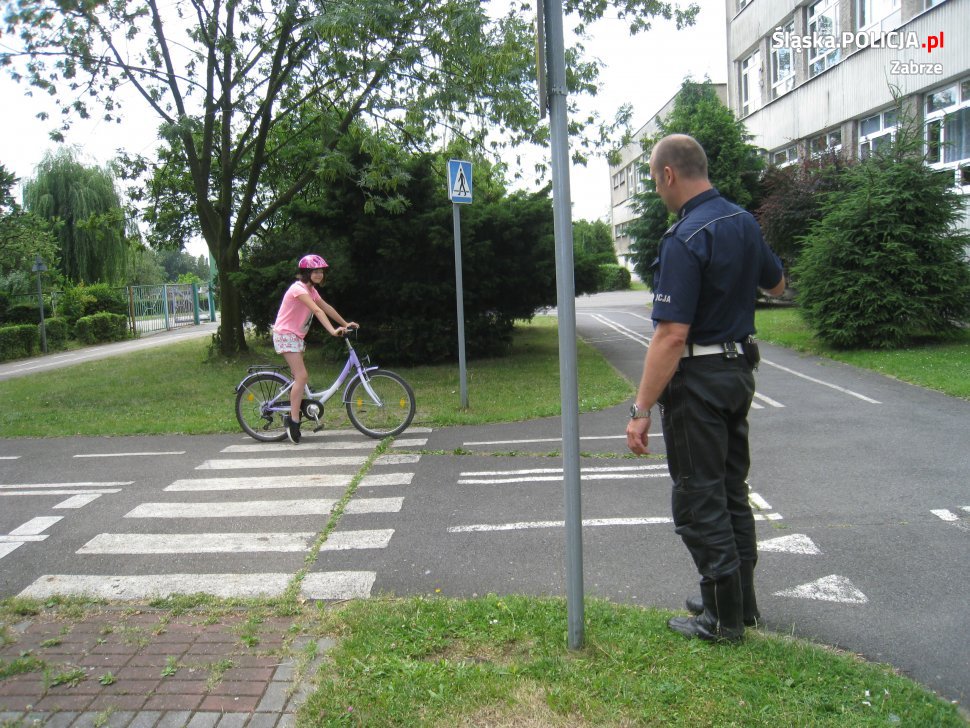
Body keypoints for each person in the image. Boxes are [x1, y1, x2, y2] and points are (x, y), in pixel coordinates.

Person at [625, 134, 785, 643]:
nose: (656, 190)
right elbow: (777, 285)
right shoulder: (742, 222)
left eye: (653, 180)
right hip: (739, 374)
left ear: (669, 174)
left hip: (699, 383)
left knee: (699, 498)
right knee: (731, 490)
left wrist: (641, 407)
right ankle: (741, 603)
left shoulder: (686, 236)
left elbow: (671, 334)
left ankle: (721, 619)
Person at [272, 254, 358, 444]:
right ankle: (292, 421)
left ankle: (294, 409)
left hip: (296, 337)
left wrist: (346, 323)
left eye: (321, 271)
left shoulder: (311, 290)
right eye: (315, 271)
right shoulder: (298, 289)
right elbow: (317, 311)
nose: (319, 274)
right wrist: (333, 331)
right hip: (286, 335)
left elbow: (325, 307)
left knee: (298, 379)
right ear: (306, 273)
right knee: (302, 377)